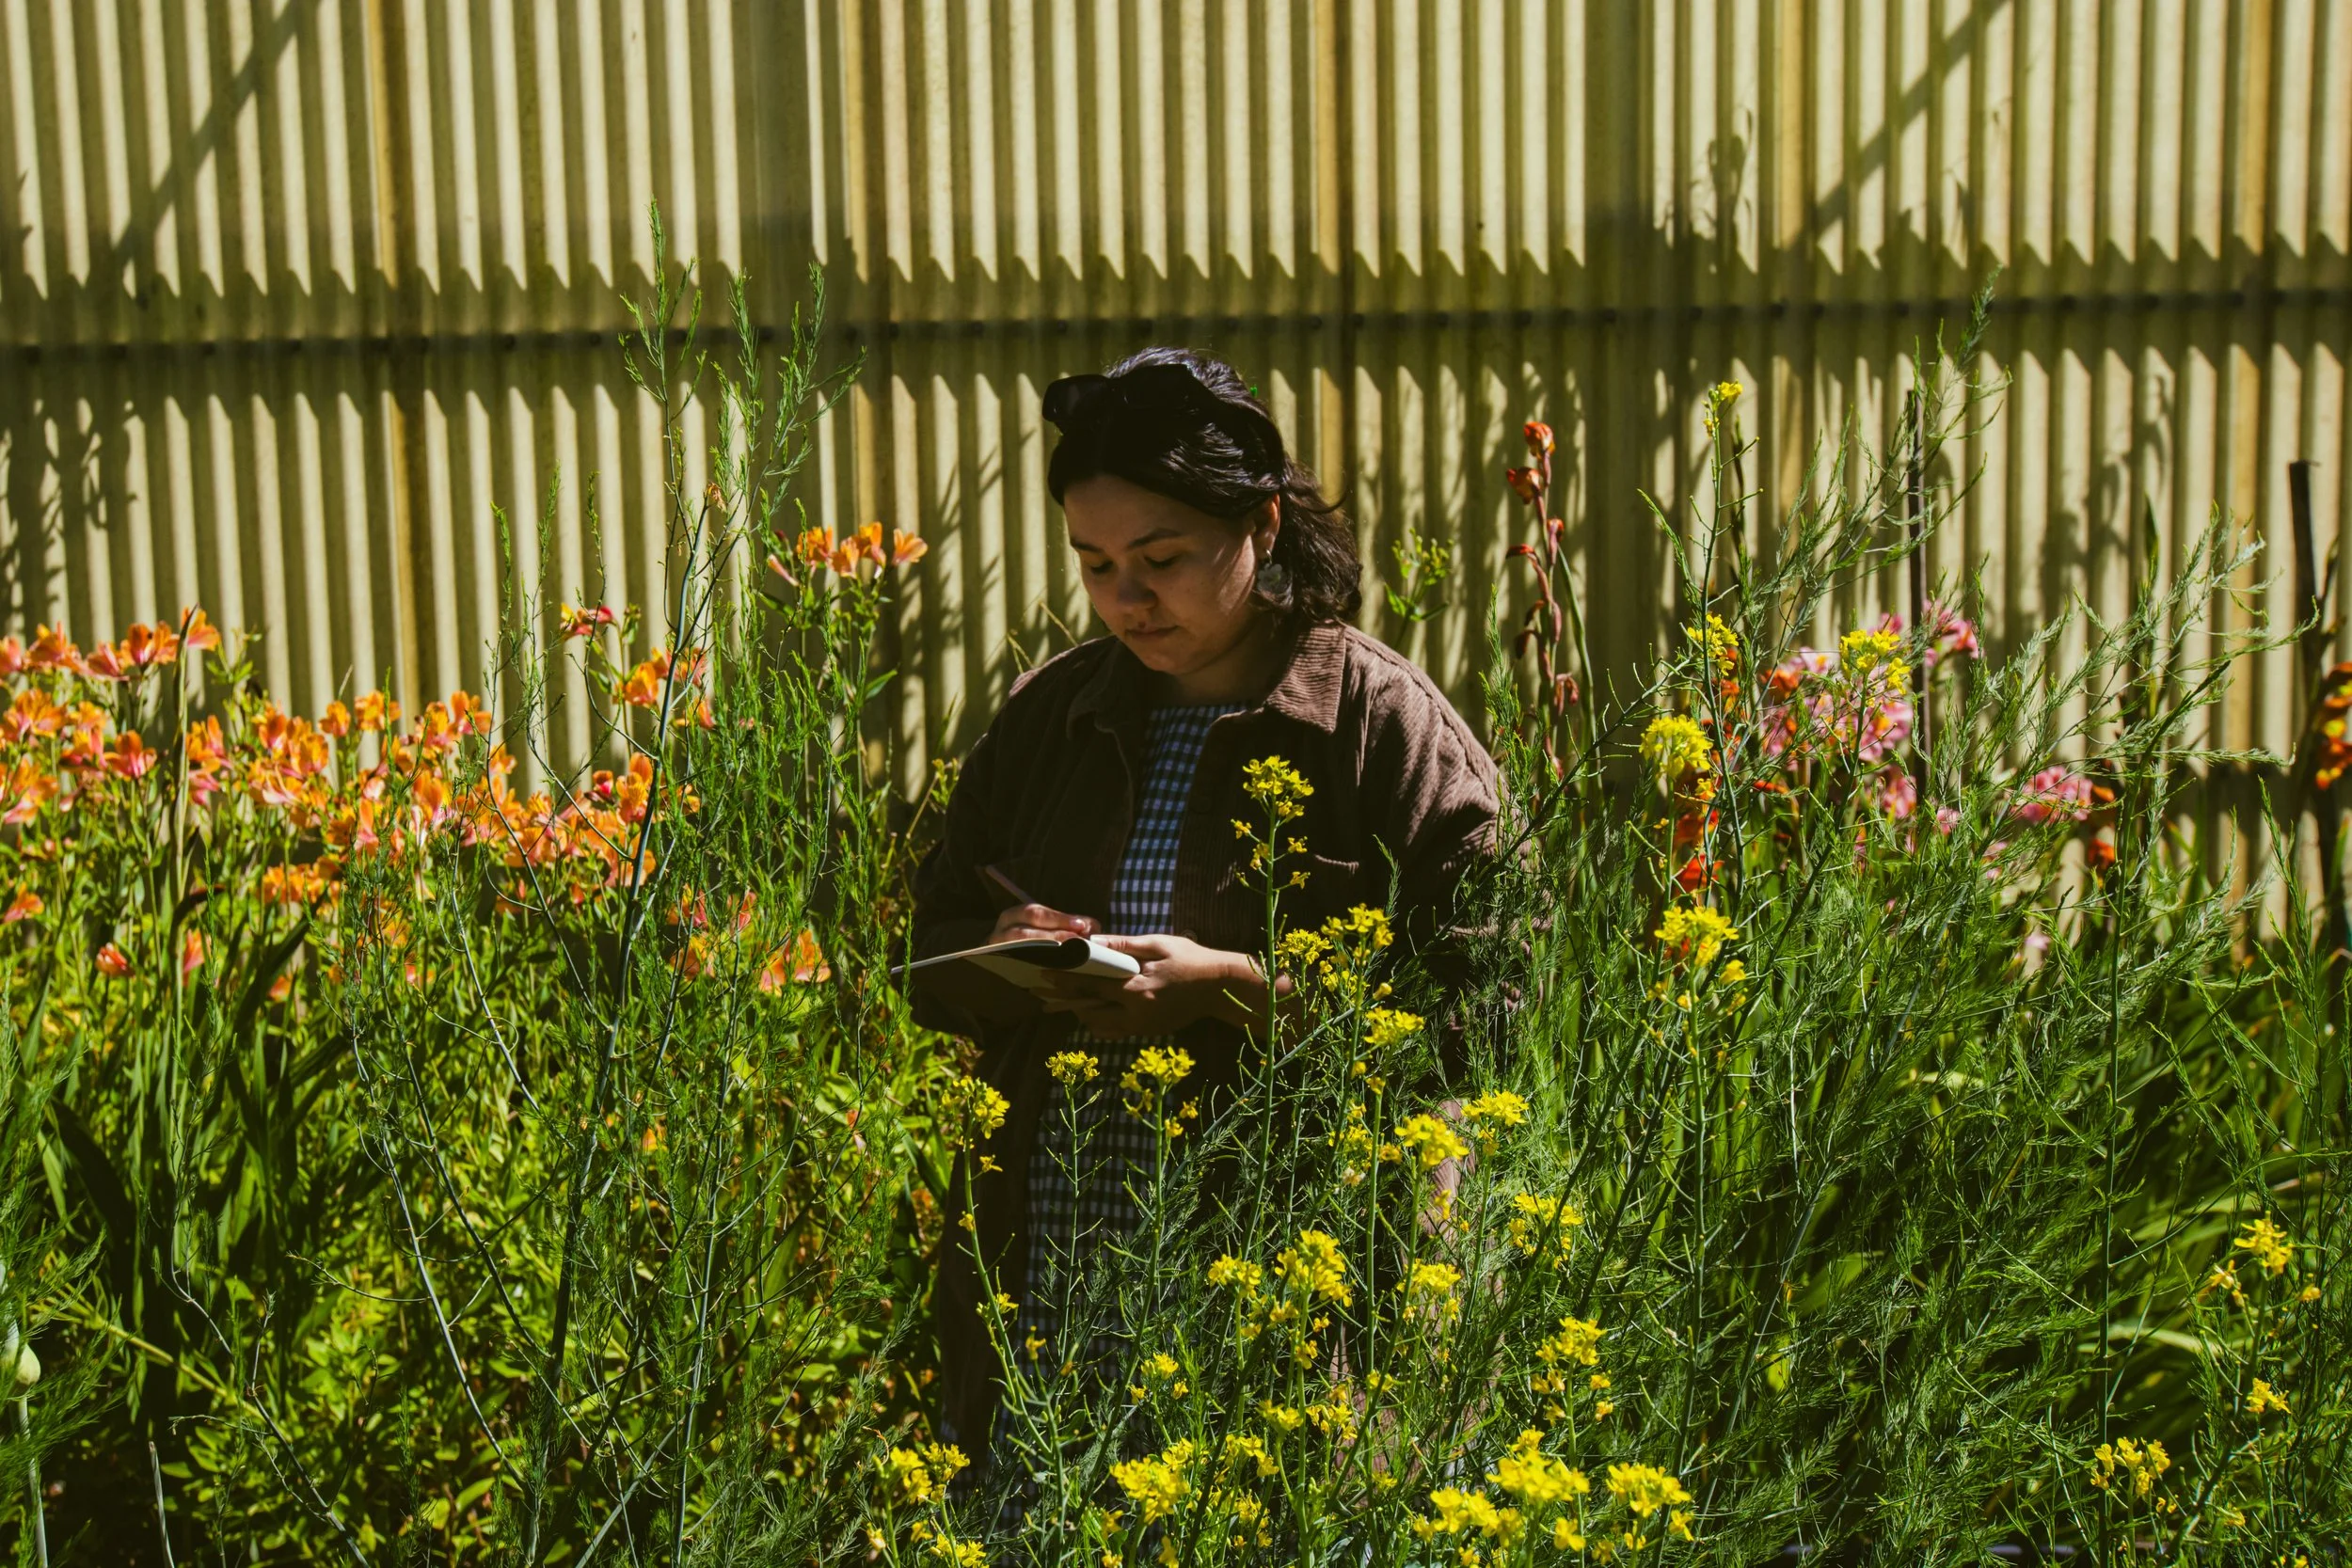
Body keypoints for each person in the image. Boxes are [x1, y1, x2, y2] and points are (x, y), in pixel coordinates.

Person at [905, 346, 1499, 1487]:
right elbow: (926, 958)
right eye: (1095, 565)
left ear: (1263, 527)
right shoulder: (1049, 715)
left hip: (1286, 1298)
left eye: (1162, 557)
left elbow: (1490, 1009)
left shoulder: (1382, 728)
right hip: (1054, 1281)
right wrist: (1013, 951)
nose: (1129, 597)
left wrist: (1238, 987)